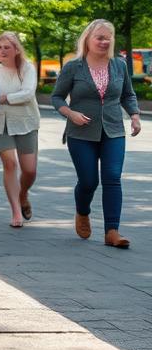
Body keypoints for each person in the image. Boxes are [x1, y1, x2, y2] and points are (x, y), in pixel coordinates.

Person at [51, 19, 142, 249]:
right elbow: (57, 97)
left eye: (108, 37)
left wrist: (134, 115)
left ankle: (112, 231)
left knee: (112, 177)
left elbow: (128, 95)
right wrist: (70, 114)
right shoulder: (74, 66)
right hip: (81, 133)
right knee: (89, 180)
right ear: (88, 40)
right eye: (99, 37)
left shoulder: (119, 65)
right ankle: (82, 212)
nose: (104, 41)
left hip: (113, 131)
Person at [0, 32, 40, 228]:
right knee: (10, 164)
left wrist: (4, 98)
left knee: (29, 170)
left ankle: (23, 194)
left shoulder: (27, 68)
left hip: (26, 122)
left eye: (7, 47)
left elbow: (27, 93)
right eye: (0, 47)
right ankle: (16, 212)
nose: (2, 51)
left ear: (16, 49)